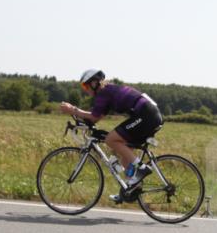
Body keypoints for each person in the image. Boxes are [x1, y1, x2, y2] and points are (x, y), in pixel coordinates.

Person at [60, 69, 163, 200]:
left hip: (146, 115)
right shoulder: (108, 91)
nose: (85, 90)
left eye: (85, 86)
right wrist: (77, 116)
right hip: (149, 115)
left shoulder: (103, 93)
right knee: (126, 155)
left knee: (111, 139)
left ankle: (142, 168)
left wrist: (72, 110)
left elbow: (93, 117)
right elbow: (96, 117)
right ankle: (129, 190)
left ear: (94, 83)